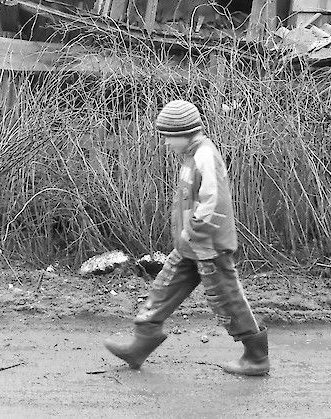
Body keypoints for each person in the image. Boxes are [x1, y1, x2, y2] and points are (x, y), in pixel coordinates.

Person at [103, 99, 269, 376]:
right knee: (164, 287)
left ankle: (255, 356)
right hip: (189, 245)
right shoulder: (190, 156)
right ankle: (141, 343)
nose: (166, 143)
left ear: (185, 132)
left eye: (168, 136)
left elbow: (212, 200)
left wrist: (193, 230)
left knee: (226, 298)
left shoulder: (205, 155)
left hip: (208, 246)